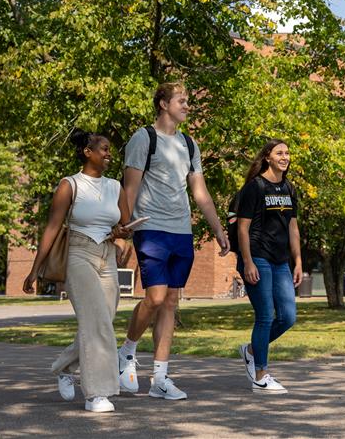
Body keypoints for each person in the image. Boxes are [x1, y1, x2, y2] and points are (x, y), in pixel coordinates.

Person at [117, 81, 229, 400]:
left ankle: (161, 378)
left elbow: (200, 193)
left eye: (188, 100)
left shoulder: (190, 145)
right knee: (154, 297)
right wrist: (125, 226)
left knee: (170, 301)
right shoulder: (144, 139)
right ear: (163, 104)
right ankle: (126, 352)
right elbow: (130, 188)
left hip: (181, 230)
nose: (187, 105)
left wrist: (219, 229)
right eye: (182, 100)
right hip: (150, 228)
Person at [23, 129, 131, 413]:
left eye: (110, 150)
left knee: (102, 323)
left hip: (107, 256)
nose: (109, 154)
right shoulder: (69, 185)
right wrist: (36, 270)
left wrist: (121, 234)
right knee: (97, 323)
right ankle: (97, 393)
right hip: (79, 253)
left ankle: (63, 367)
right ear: (88, 152)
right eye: (104, 149)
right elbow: (52, 227)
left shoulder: (115, 187)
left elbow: (127, 226)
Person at [235, 139, 302, 394]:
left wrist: (298, 261)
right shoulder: (255, 188)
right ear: (267, 158)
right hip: (258, 258)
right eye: (279, 153)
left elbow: (293, 227)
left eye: (287, 152)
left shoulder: (289, 188)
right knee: (265, 316)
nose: (284, 157)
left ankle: (251, 350)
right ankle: (261, 374)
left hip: (280, 260)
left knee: (287, 317)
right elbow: (242, 228)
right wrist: (248, 261)